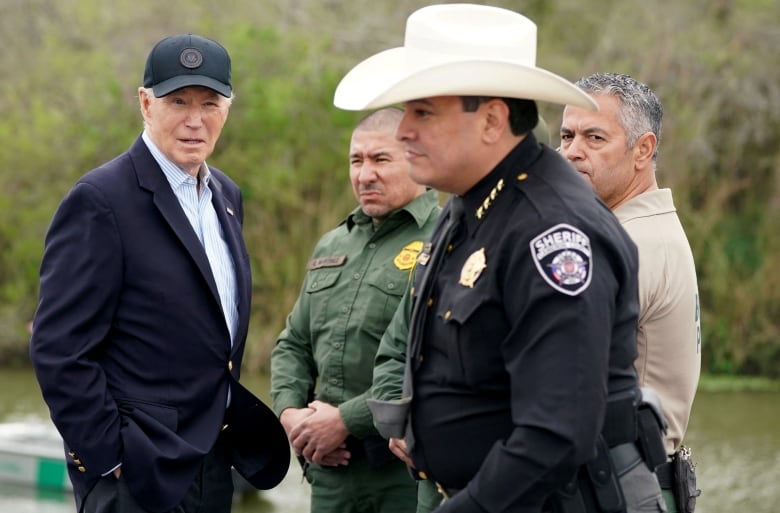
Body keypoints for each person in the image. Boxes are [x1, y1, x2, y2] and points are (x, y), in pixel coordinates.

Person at [335, 4, 668, 513]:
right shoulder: (472, 203)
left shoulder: (553, 232)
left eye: (422, 112)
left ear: (492, 120)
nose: (402, 131)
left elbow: (555, 435)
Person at [28, 33, 289, 513]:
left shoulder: (226, 197)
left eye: (210, 102)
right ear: (145, 104)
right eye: (178, 101)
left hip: (213, 461)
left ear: (228, 109)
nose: (195, 119)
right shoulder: (100, 200)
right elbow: (59, 349)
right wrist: (109, 459)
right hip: (138, 472)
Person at [270, 107, 441, 513]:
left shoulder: (447, 237)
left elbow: (434, 356)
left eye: (381, 159)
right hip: (331, 473)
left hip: (403, 473)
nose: (365, 175)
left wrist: (345, 419)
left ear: (417, 158)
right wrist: (293, 417)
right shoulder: (332, 245)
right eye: (356, 160)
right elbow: (293, 343)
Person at [560, 72, 701, 512]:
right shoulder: (638, 229)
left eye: (594, 137)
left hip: (618, 485)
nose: (571, 152)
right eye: (565, 136)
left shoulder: (630, 242)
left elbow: (554, 365)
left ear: (643, 150)